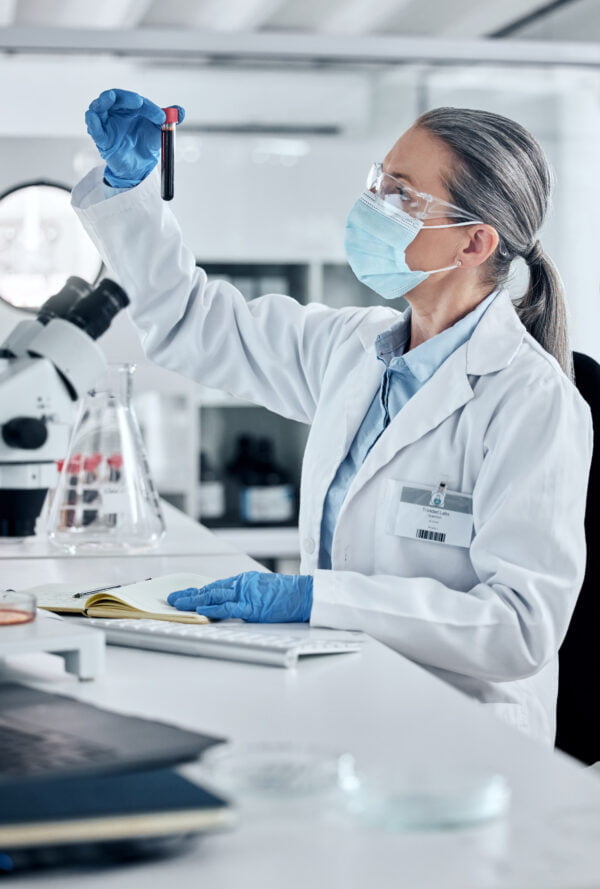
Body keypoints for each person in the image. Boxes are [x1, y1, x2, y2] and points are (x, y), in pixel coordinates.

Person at [73, 89, 592, 745]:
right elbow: (192, 323)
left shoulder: (531, 401)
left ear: (473, 243)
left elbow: (520, 627)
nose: (372, 206)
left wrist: (316, 598)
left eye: (400, 195)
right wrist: (129, 190)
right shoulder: (353, 348)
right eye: (377, 182)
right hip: (348, 702)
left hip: (463, 738)